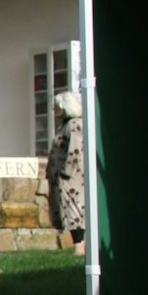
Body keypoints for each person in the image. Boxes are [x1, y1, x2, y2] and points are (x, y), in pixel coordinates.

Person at [45, 90, 86, 247]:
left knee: (74, 210)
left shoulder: (74, 125)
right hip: (63, 177)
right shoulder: (65, 125)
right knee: (67, 209)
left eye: (56, 107)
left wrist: (65, 173)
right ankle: (78, 244)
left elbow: (74, 150)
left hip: (71, 178)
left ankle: (79, 245)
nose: (54, 110)